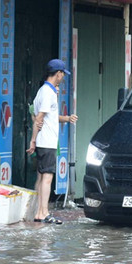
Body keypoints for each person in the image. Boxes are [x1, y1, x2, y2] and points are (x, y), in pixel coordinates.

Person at [26, 59, 78, 224]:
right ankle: (44, 213)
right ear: (58, 74)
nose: (63, 77)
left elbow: (43, 116)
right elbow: (39, 118)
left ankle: (39, 213)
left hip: (43, 141)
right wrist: (33, 140)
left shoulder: (42, 91)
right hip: (46, 142)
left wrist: (67, 118)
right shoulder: (48, 93)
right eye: (63, 74)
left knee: (41, 178)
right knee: (47, 178)